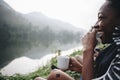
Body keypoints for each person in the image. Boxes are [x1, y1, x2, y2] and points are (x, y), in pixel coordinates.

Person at [35, 0, 120, 80]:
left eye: (101, 17)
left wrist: (88, 49)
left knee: (55, 75)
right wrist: (80, 68)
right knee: (53, 74)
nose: (95, 25)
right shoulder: (114, 47)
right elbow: (102, 74)